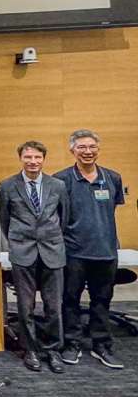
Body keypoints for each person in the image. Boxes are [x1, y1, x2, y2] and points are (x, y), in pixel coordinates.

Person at [55, 129, 126, 369]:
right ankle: (72, 343)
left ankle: (101, 345)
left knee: (102, 300)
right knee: (70, 300)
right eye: (82, 147)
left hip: (106, 252)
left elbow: (110, 211)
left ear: (98, 149)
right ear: (72, 150)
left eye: (92, 147)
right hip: (73, 252)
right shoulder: (61, 180)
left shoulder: (113, 178)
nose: (87, 152)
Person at [0, 141, 68, 374]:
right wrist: (15, 242)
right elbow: (3, 220)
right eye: (28, 157)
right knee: (25, 306)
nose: (33, 162)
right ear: (21, 158)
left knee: (54, 306)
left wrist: (52, 237)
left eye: (37, 157)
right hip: (23, 251)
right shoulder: (7, 186)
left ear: (43, 159)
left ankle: (53, 349)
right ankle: (30, 349)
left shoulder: (57, 185)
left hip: (52, 250)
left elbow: (64, 217)